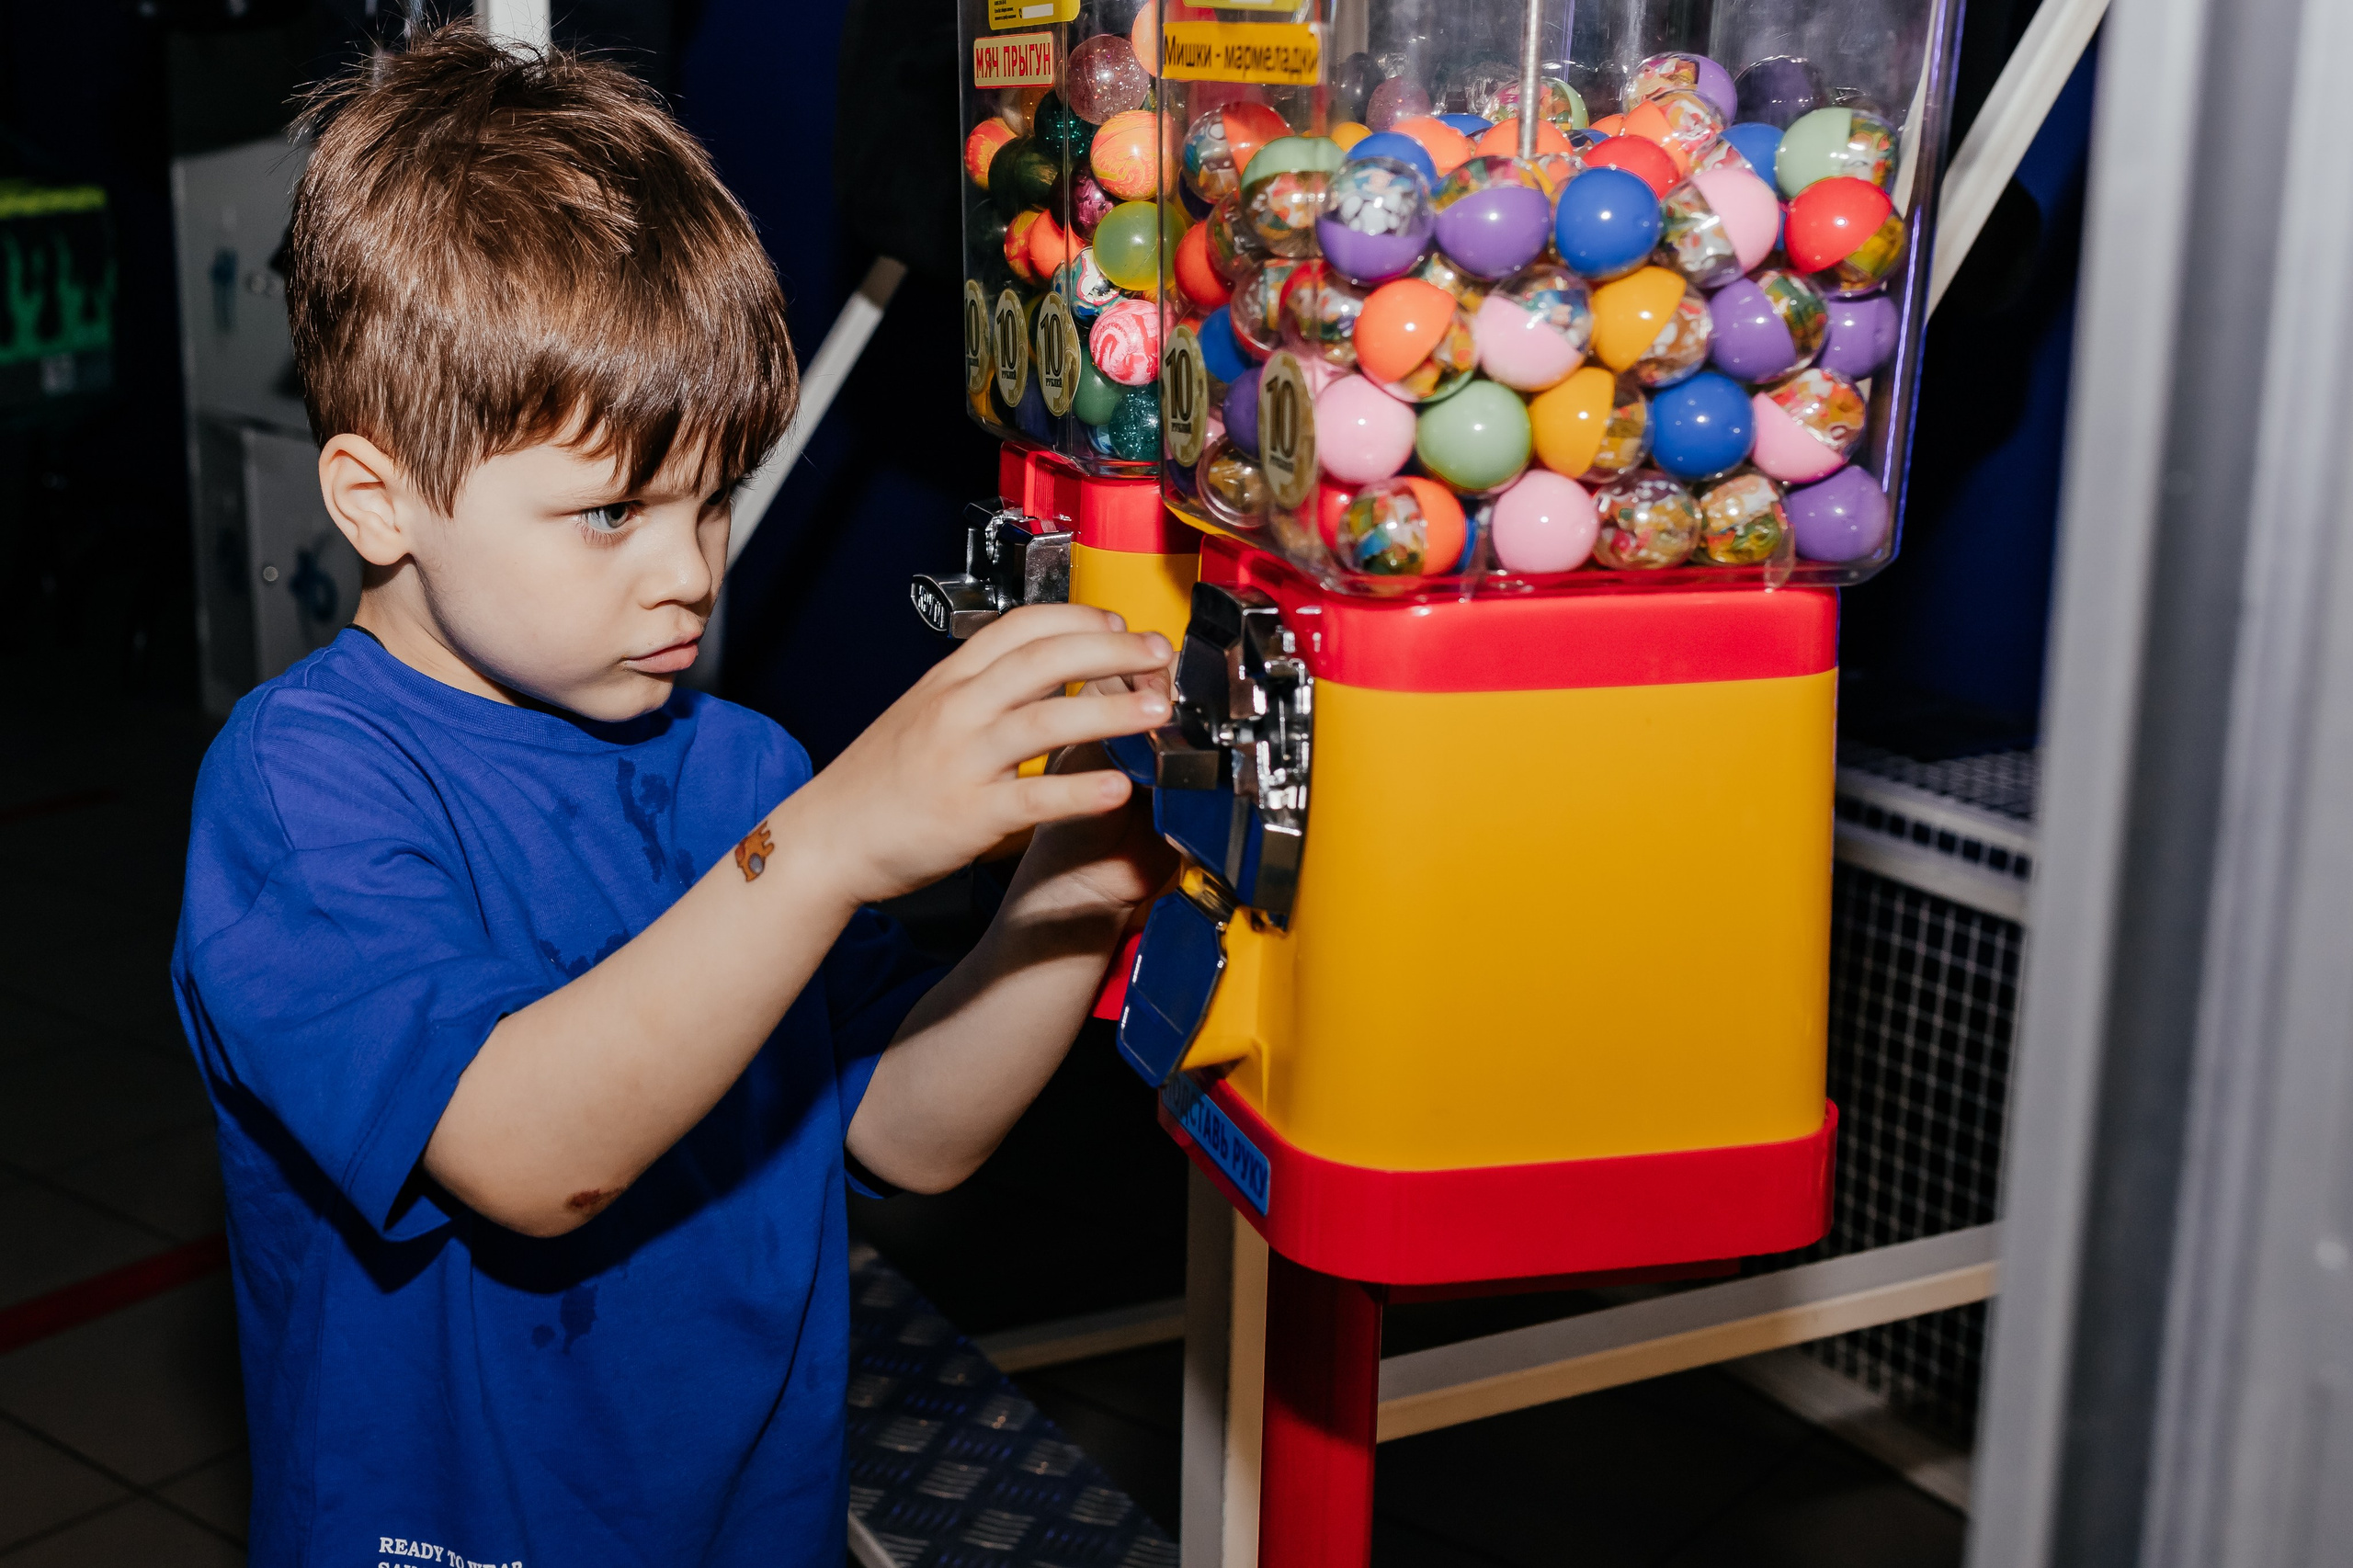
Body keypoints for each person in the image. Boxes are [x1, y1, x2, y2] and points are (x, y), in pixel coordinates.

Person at [170, 26, 1173, 1566]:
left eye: (711, 497)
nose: (689, 570)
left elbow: (908, 1132)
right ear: (378, 497)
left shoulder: (741, 767)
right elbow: (524, 1153)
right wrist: (829, 845)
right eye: (611, 512)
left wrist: (1068, 893)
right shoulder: (305, 787)